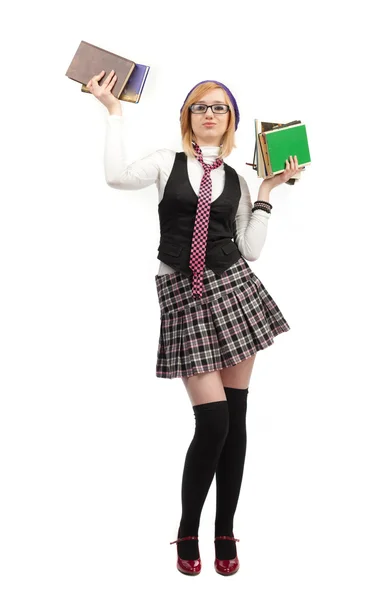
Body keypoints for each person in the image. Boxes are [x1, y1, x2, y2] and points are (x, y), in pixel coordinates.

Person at [86, 69, 303, 576]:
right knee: (214, 423)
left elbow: (250, 249)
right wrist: (113, 112)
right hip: (183, 292)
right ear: (188, 117)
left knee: (237, 420)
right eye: (201, 106)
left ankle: (224, 528)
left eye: (220, 107)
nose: (210, 113)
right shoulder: (168, 163)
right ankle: (188, 529)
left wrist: (268, 190)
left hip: (234, 290)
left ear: (231, 122)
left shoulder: (239, 179)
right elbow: (116, 176)